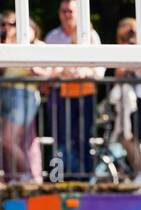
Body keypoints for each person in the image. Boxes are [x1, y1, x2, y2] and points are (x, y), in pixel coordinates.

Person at [44, 0, 105, 180]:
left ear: (78, 13)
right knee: (60, 138)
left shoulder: (91, 36)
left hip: (84, 94)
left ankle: (84, 177)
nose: (67, 15)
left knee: (82, 137)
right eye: (64, 11)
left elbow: (99, 70)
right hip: (59, 94)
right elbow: (47, 69)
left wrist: (83, 72)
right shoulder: (53, 37)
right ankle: (58, 177)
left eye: (70, 11)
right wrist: (64, 71)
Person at [0, 17, 49, 182]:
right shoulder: (11, 43)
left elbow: (49, 71)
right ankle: (18, 175)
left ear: (34, 30)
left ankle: (27, 172)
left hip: (23, 95)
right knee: (12, 141)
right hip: (8, 93)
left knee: (8, 140)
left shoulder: (39, 46)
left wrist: (34, 69)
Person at [111, 18, 141, 184]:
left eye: (131, 32)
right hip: (126, 101)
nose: (129, 38)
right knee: (126, 137)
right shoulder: (123, 49)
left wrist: (133, 57)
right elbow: (118, 73)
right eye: (125, 36)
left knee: (133, 137)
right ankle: (139, 171)